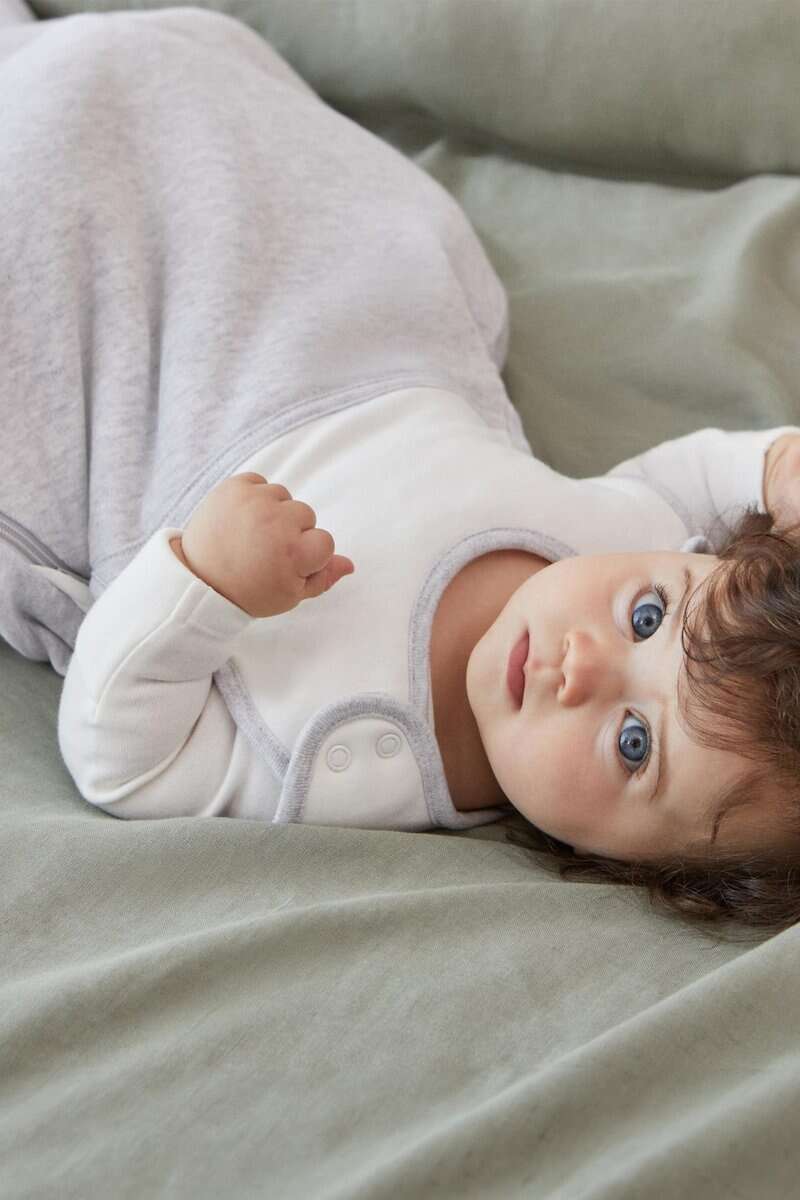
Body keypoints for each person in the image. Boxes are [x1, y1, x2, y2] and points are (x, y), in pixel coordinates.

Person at [4, 7, 800, 933]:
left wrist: (201, 582)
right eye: (649, 617)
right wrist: (780, 466)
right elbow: (710, 475)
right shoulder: (629, 535)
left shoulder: (340, 758)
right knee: (170, 103)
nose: (585, 662)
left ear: (639, 869)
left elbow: (120, 758)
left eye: (633, 744)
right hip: (314, 317)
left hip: (152, 410)